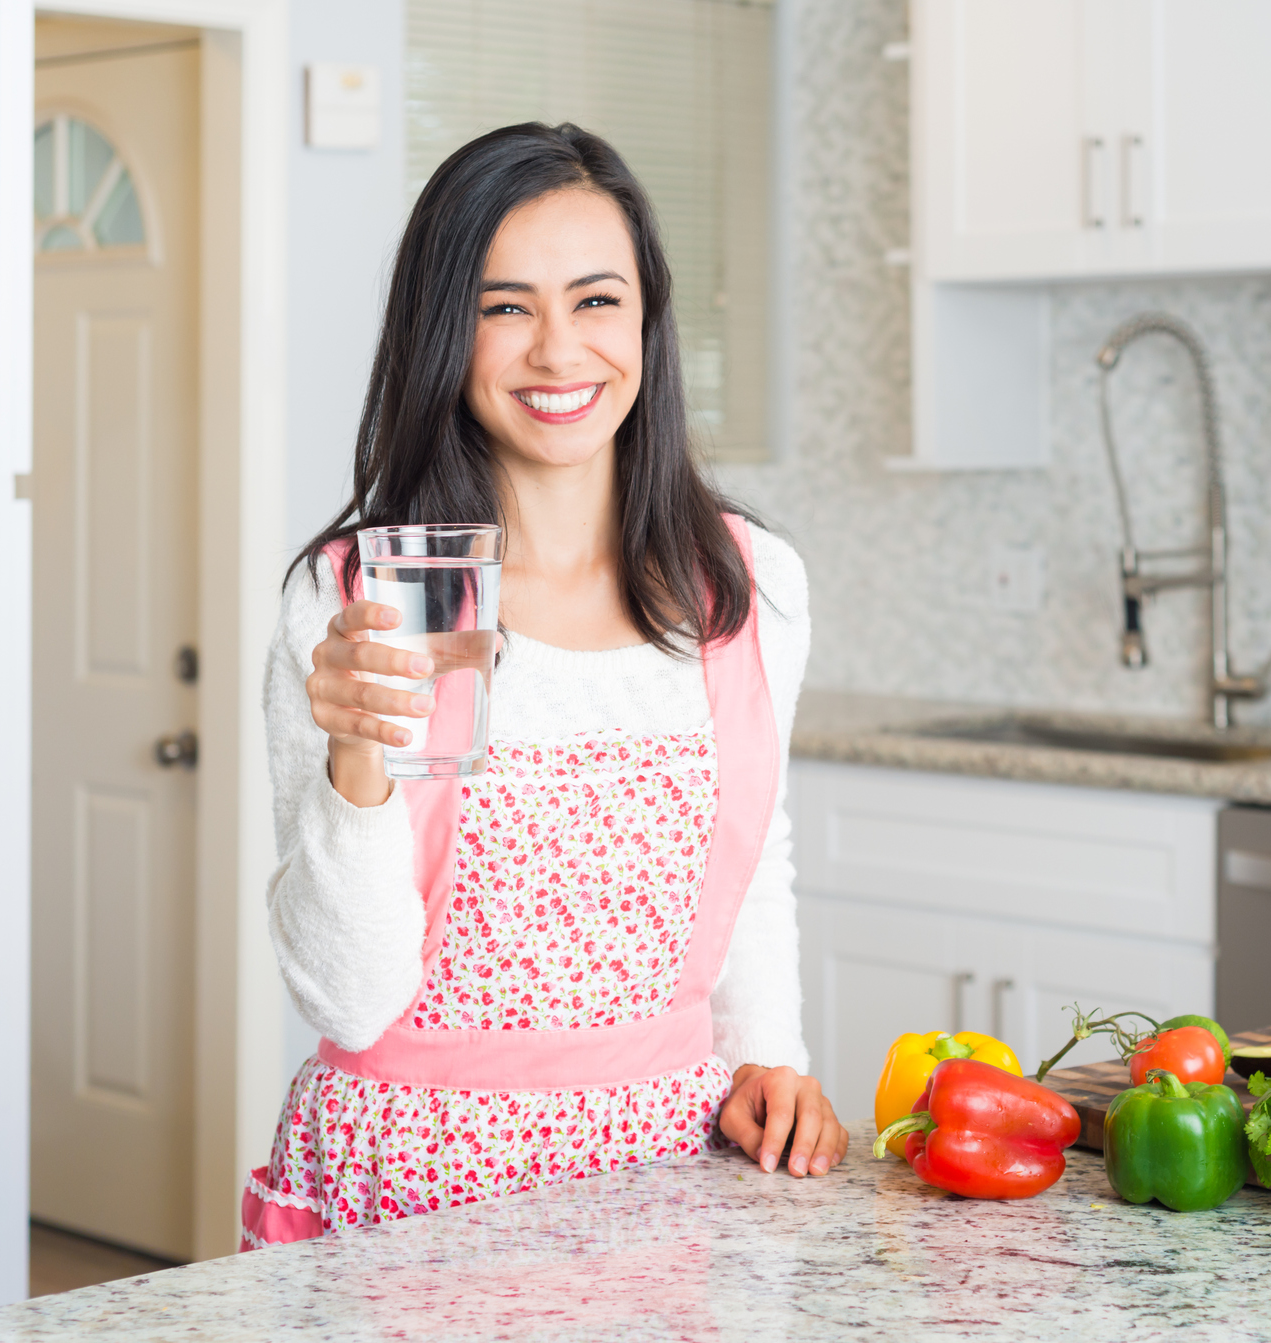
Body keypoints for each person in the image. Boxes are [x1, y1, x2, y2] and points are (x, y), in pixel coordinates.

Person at [241, 122, 844, 1247]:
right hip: (410, 1192)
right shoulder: (378, 596)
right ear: (442, 333)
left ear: (651, 321)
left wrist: (771, 1051)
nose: (558, 351)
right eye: (503, 306)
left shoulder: (741, 583)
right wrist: (355, 761)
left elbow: (751, 857)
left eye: (597, 300)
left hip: (666, 1180)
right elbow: (349, 999)